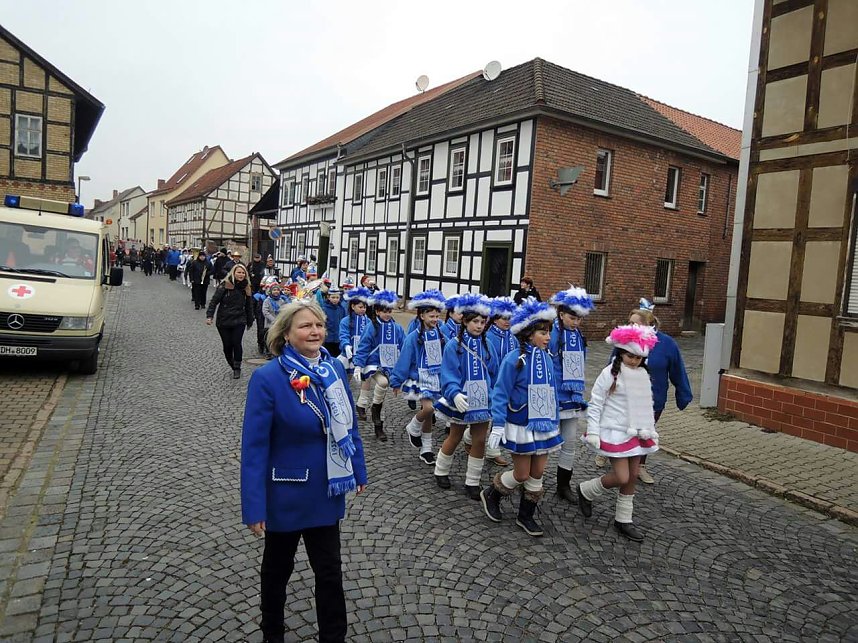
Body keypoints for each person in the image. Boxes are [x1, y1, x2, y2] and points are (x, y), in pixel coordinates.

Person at [241, 300, 367, 643]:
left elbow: (347, 423)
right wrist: (254, 506)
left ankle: (333, 636)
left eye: (319, 325)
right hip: (286, 493)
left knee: (329, 572)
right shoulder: (268, 378)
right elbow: (254, 448)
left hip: (327, 490)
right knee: (276, 573)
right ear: (286, 334)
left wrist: (358, 469)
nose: (315, 332)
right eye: (305, 326)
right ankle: (273, 635)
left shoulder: (333, 369)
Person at [480, 299, 561, 536]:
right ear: (528, 333)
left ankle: (525, 516)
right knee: (522, 474)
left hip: (543, 423)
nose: (547, 337)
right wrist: (497, 425)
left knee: (538, 473)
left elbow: (551, 390)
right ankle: (492, 493)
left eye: (549, 332)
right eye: (542, 332)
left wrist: (554, 418)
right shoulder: (514, 359)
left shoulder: (547, 358)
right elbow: (500, 392)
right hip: (521, 423)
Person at [594, 301, 693, 484]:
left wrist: (683, 393)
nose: (631, 327)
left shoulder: (667, 344)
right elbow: (612, 365)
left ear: (649, 325)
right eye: (629, 323)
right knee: (622, 430)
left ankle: (640, 467)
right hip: (624, 400)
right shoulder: (626, 342)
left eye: (636, 324)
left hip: (654, 400)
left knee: (644, 434)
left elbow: (678, 370)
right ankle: (610, 453)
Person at [577, 324, 660, 542]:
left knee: (632, 476)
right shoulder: (609, 373)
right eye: (630, 356)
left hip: (636, 432)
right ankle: (587, 490)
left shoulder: (642, 374)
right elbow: (596, 403)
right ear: (621, 353)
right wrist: (593, 431)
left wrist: (649, 429)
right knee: (622, 476)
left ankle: (624, 519)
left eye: (638, 358)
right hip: (614, 431)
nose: (634, 361)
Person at [433, 294, 498, 500]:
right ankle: (441, 470)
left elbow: (495, 373)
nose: (479, 326)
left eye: (482, 322)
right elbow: (449, 373)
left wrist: (495, 394)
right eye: (475, 322)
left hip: (482, 401)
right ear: (465, 322)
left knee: (479, 440)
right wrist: (454, 393)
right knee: (455, 435)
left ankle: (472, 481)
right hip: (462, 400)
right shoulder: (454, 345)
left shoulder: (488, 344)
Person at [389, 290, 447, 466]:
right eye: (431, 316)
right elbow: (405, 358)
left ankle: (426, 449)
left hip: (436, 378)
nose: (435, 319)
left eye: (437, 316)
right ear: (422, 316)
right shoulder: (414, 336)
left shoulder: (442, 334)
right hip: (419, 378)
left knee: (430, 414)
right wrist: (396, 380)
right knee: (428, 409)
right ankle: (413, 427)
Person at [549, 287, 594, 502]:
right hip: (554, 396)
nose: (575, 322)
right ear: (561, 314)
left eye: (579, 318)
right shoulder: (553, 334)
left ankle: (563, 485)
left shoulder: (578, 335)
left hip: (573, 396)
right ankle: (529, 480)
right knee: (542, 442)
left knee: (569, 443)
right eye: (572, 317)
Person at [463, 296, 518, 467]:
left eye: (510, 318)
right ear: (495, 318)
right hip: (491, 381)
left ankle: (492, 449)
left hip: (508, 382)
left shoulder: (513, 337)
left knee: (500, 414)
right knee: (488, 415)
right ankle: (470, 437)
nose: (507, 322)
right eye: (504, 318)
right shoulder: (488, 336)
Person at [353, 290, 405, 440]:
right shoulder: (372, 327)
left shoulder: (397, 328)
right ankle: (377, 418)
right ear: (377, 311)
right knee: (383, 383)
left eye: (389, 311)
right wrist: (358, 365)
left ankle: (376, 407)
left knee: (385, 385)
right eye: (384, 311)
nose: (387, 314)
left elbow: (404, 345)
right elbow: (364, 347)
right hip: (373, 363)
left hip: (390, 364)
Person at [206, 264, 255, 379]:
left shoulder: (246, 287)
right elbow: (214, 301)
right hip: (224, 320)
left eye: (243, 273)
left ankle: (237, 367)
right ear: (233, 273)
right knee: (227, 345)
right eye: (239, 272)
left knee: (237, 343)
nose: (241, 275)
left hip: (239, 319)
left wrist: (250, 320)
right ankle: (232, 363)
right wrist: (210, 316)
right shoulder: (225, 285)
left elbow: (249, 305)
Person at [339, 287, 373, 419]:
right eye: (360, 307)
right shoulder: (346, 321)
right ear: (352, 306)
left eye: (364, 307)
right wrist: (346, 346)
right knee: (345, 378)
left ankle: (362, 404)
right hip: (348, 355)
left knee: (366, 378)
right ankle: (341, 401)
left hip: (363, 355)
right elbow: (343, 335)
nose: (363, 309)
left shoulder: (369, 321)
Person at [261, 282, 290, 359]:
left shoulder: (282, 300)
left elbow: (284, 309)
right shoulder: (267, 300)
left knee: (278, 337)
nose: (276, 291)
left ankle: (277, 351)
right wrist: (273, 320)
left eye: (277, 290)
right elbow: (265, 311)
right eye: (274, 290)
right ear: (271, 291)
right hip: (270, 323)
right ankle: (268, 352)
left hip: (279, 322)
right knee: (269, 337)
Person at [321, 288, 346, 358]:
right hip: (328, 339)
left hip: (338, 339)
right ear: (328, 297)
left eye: (337, 297)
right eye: (333, 297)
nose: (335, 299)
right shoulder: (324, 309)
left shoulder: (341, 309)